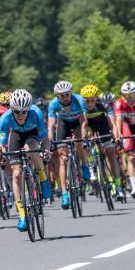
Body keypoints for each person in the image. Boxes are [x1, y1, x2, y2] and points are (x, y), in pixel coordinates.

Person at [0, 89, 52, 232]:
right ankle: (22, 215)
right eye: (17, 112)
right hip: (16, 135)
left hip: (32, 134)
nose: (20, 115)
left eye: (24, 111)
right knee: (16, 174)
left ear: (29, 109)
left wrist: (46, 151)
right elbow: (2, 145)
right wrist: (3, 155)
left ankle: (43, 178)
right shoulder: (5, 118)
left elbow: (45, 138)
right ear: (11, 109)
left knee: (30, 149)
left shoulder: (36, 114)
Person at [47, 80, 89, 210]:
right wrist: (50, 142)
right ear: (57, 96)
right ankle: (65, 193)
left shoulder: (79, 100)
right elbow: (51, 125)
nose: (64, 98)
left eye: (66, 94)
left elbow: (83, 121)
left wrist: (83, 136)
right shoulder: (53, 104)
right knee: (62, 158)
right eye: (61, 95)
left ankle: (84, 165)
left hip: (77, 123)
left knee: (78, 144)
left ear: (71, 93)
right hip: (63, 123)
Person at [80, 84, 124, 200]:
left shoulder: (103, 104)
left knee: (110, 153)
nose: (89, 103)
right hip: (89, 127)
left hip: (103, 125)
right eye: (87, 101)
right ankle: (91, 166)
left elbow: (113, 124)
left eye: (92, 100)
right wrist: (85, 140)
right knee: (85, 141)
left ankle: (118, 187)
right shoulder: (81, 106)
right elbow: (83, 125)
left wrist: (116, 137)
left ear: (96, 99)